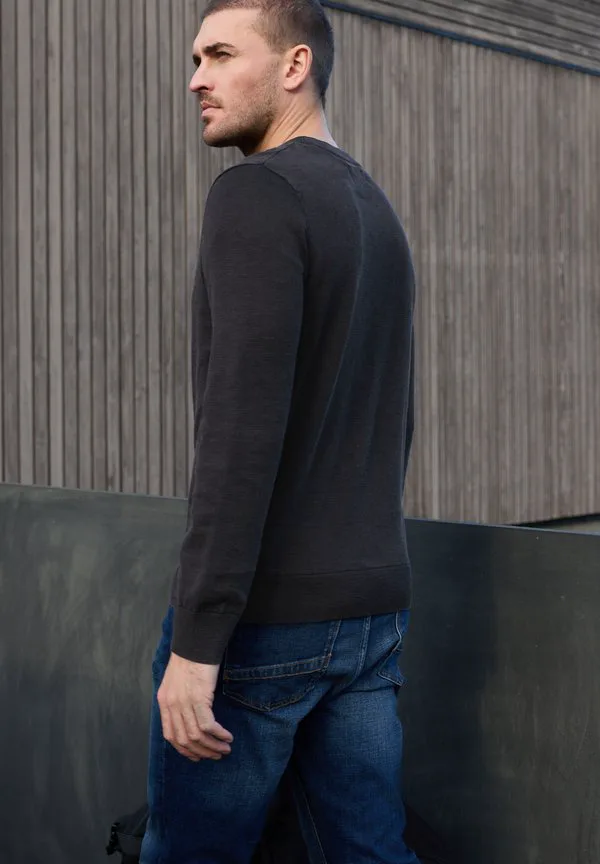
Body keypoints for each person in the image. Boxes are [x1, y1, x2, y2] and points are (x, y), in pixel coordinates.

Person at [140, 1, 417, 862]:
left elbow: (239, 432)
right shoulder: (374, 207)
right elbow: (392, 423)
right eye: (196, 58)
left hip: (264, 626)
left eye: (221, 55)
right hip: (372, 615)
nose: (197, 79)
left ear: (295, 66)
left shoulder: (256, 193)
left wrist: (199, 643)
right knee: (370, 853)